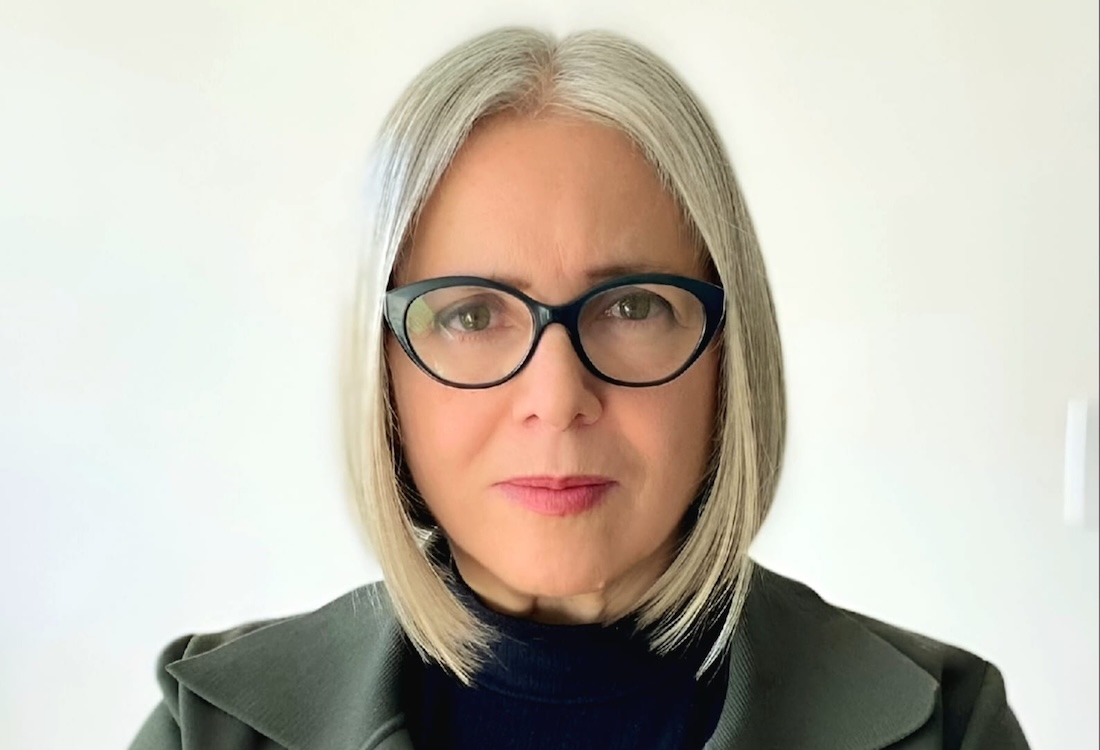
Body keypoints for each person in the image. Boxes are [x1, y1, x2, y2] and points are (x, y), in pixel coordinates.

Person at [129, 27, 1031, 750]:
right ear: (386, 376)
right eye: (472, 316)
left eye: (633, 305)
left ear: (730, 352)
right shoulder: (210, 728)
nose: (557, 398)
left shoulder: (945, 723)